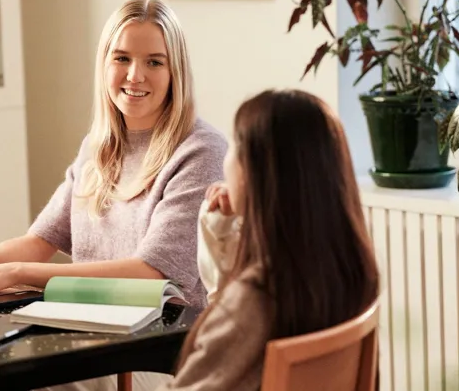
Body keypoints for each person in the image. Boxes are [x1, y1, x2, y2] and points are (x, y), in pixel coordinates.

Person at [0, 0, 226, 390]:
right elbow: (40, 240)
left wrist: (18, 275)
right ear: (105, 64)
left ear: (176, 72)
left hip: (157, 355)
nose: (135, 75)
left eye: (154, 62)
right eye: (122, 58)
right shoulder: (98, 146)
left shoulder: (200, 151)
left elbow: (149, 272)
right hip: (89, 332)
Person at [156, 89, 380, 390]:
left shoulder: (256, 298)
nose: (226, 161)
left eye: (235, 145)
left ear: (259, 174)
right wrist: (222, 234)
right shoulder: (351, 272)